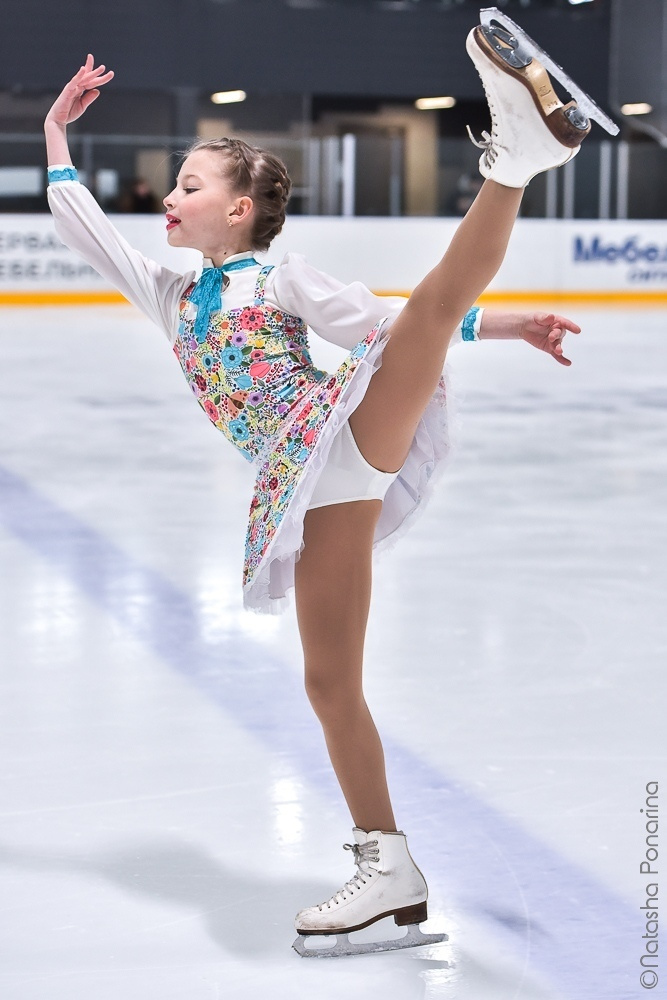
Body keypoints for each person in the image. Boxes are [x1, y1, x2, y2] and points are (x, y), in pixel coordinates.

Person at [43, 17, 605, 958]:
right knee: (327, 682)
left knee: (427, 310)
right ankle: (390, 870)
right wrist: (57, 138)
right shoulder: (173, 295)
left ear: (238, 212)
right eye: (175, 182)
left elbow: (394, 329)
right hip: (299, 486)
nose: (169, 195)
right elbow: (87, 230)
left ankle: (514, 159)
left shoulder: (279, 278)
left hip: (335, 430)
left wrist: (498, 327)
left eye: (189, 184)